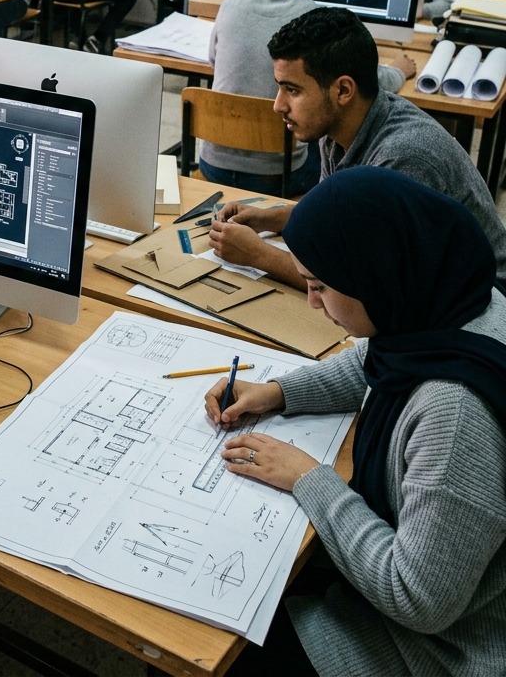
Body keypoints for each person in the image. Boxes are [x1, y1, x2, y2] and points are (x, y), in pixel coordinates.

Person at [206, 167, 506, 677]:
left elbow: (420, 599)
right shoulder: (447, 303)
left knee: (216, 634)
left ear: (376, 275)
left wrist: (309, 479)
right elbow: (374, 360)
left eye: (320, 285)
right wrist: (279, 392)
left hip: (436, 650)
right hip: (419, 602)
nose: (312, 302)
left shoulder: (454, 418)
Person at [209, 6, 506, 287]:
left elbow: (364, 286)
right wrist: (266, 217)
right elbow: (335, 221)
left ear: (343, 90)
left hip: (485, 301)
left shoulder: (404, 159)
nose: (278, 105)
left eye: (292, 90)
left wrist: (258, 255)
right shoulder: (339, 126)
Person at [200, 0, 414, 195]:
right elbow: (368, 80)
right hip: (280, 175)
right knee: (328, 121)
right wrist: (400, 71)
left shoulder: (230, 4)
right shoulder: (316, 19)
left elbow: (212, 61)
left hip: (212, 164)